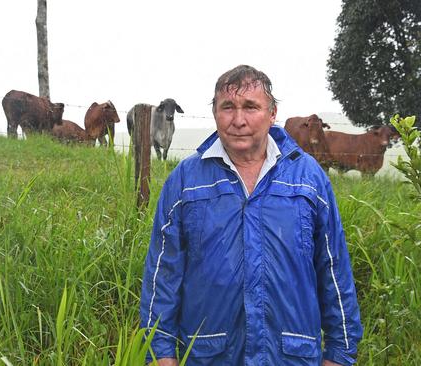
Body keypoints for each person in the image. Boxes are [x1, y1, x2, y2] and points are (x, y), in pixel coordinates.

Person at [139, 65, 363, 365]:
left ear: (272, 113)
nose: (238, 120)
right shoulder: (185, 180)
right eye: (228, 107)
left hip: (291, 357)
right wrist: (160, 354)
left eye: (251, 107)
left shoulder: (308, 178)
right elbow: (162, 275)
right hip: (209, 356)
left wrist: (340, 354)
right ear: (215, 112)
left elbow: (334, 272)